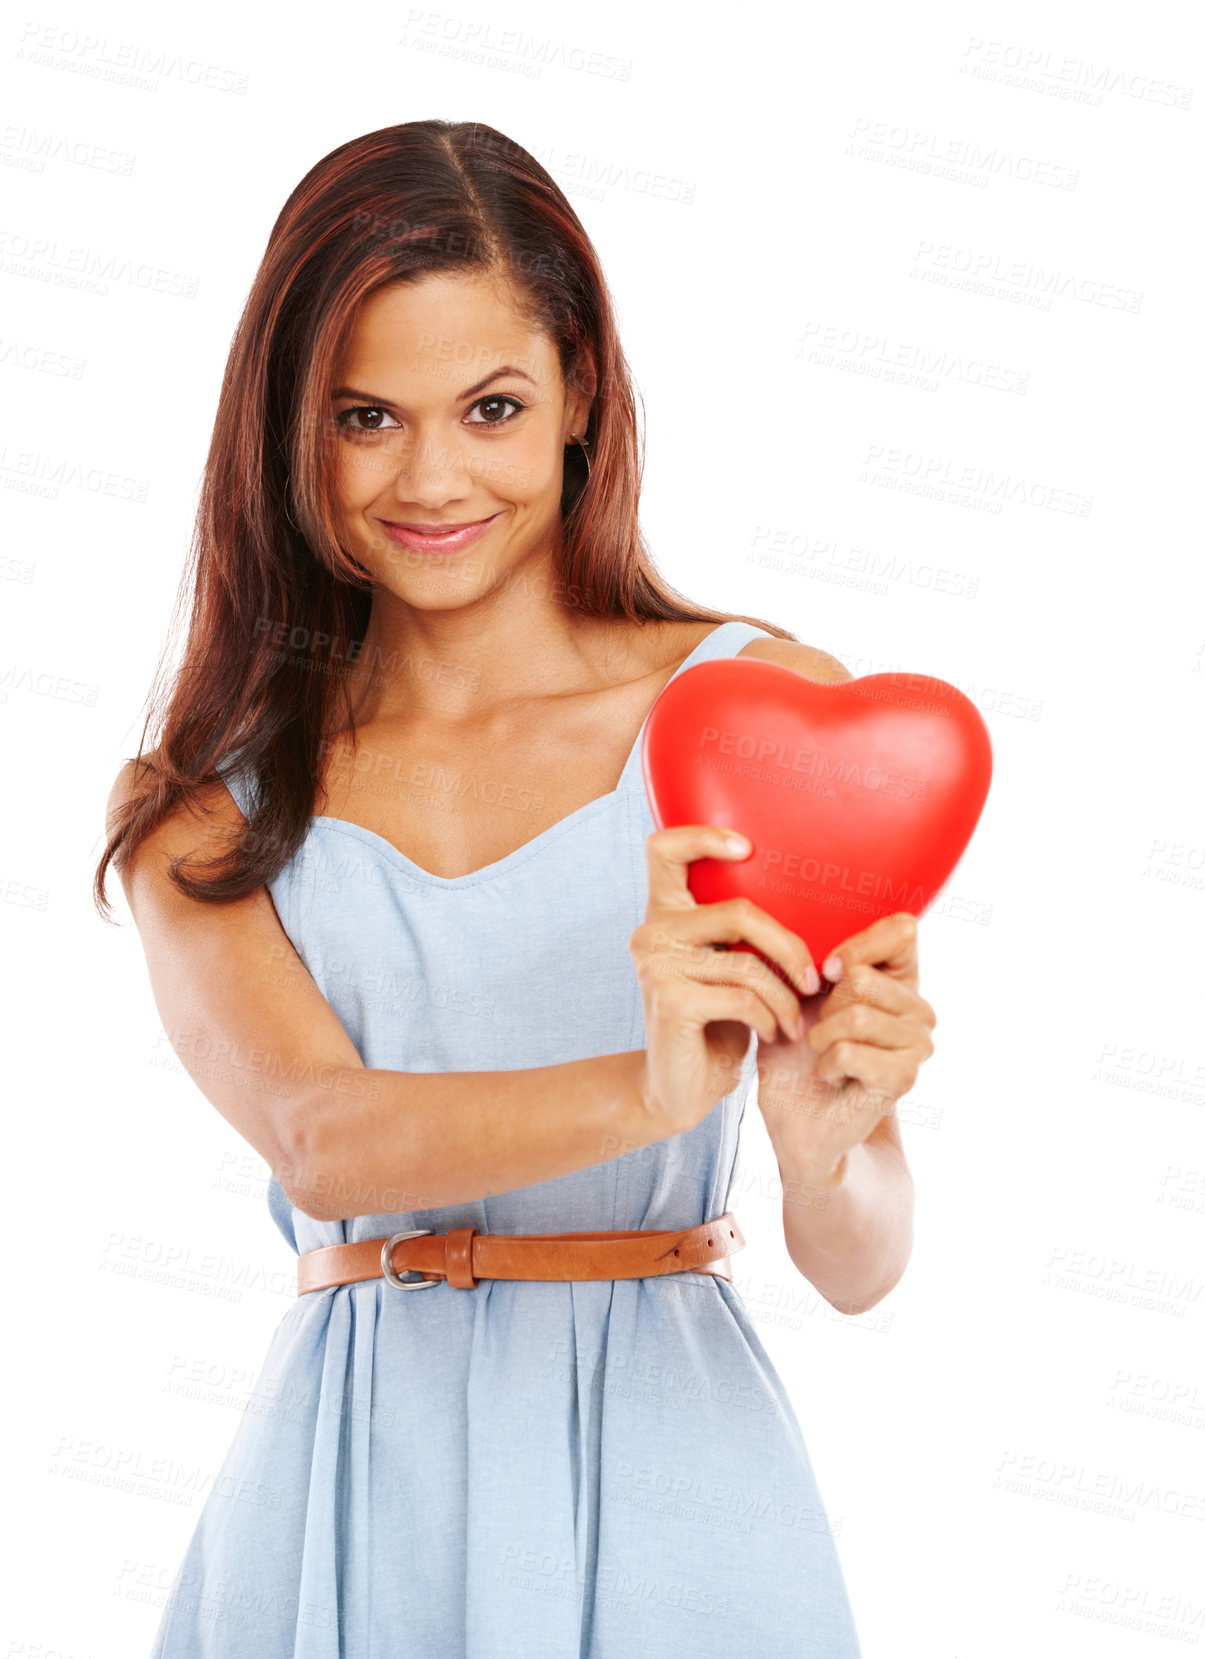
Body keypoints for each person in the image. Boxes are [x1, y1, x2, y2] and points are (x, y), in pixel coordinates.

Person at [96, 118, 935, 1658]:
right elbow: (324, 1137)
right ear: (289, 425)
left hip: (682, 1484)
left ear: (578, 397)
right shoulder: (209, 815)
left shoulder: (757, 720)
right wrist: (649, 1088)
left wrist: (823, 1154)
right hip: (353, 1497)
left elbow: (863, 1257)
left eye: (489, 407)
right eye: (364, 416)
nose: (431, 479)